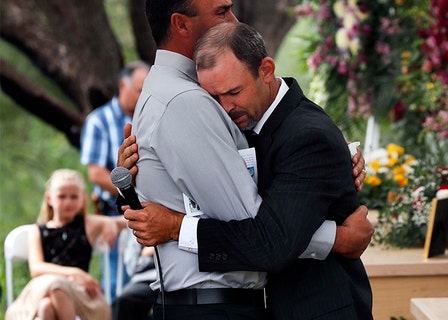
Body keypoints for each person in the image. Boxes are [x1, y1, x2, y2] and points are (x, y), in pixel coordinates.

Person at [118, 1, 371, 319]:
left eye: (233, 92)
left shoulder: (183, 92)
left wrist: (336, 154)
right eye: (221, 12)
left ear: (265, 71)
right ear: (181, 24)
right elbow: (265, 235)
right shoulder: (186, 100)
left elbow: (266, 224)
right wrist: (338, 238)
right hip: (214, 306)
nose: (234, 20)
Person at [5, 169, 126, 320]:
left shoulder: (88, 224)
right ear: (49, 199)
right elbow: (36, 268)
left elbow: (126, 221)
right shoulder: (37, 230)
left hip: (76, 293)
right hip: (43, 287)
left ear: (82, 200)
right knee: (54, 287)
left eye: (74, 197)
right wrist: (75, 272)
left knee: (47, 305)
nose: (68, 201)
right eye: (62, 196)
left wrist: (108, 221)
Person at [79, 60, 150, 302]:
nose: (144, 95)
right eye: (140, 89)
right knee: (115, 285)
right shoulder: (99, 121)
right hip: (115, 214)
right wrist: (133, 195)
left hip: (153, 213)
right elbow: (96, 174)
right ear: (123, 86)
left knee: (148, 287)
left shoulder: (152, 119)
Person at [111, 230, 156, 320]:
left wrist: (148, 254)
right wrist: (150, 255)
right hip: (146, 279)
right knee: (124, 300)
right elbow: (132, 266)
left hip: (174, 279)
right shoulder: (137, 228)